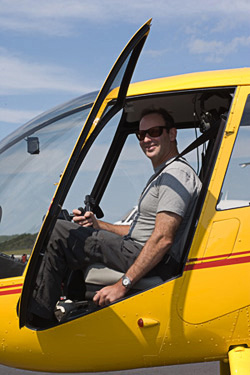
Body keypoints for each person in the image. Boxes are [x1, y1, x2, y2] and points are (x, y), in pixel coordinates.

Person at [29, 108, 201, 323]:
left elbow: (163, 238)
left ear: (172, 134)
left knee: (59, 231)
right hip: (136, 249)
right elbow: (139, 230)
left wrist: (122, 285)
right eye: (141, 135)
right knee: (71, 229)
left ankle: (38, 316)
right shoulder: (164, 175)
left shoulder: (175, 176)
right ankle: (69, 309)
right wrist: (97, 225)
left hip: (149, 258)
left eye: (154, 132)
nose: (146, 139)